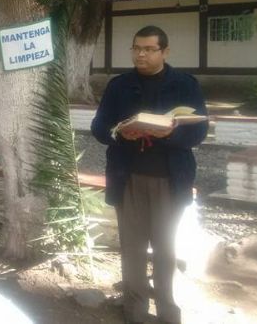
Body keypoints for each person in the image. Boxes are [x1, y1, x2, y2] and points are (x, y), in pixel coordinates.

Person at [90, 26, 208, 324]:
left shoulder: (185, 84)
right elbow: (99, 127)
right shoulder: (119, 85)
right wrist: (120, 134)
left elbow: (199, 131)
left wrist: (169, 133)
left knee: (165, 248)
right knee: (132, 247)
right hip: (127, 177)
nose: (140, 54)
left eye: (148, 49)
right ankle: (136, 310)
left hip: (170, 178)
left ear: (164, 51)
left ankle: (168, 310)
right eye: (136, 48)